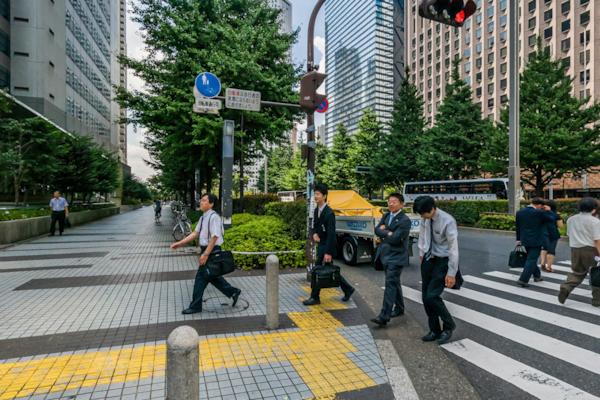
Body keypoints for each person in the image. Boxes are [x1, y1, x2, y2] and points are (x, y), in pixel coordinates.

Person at [170, 194, 241, 314]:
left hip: (212, 251)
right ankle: (233, 292)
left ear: (211, 204)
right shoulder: (204, 217)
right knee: (211, 275)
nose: (201, 202)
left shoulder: (214, 217)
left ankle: (196, 306)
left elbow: (215, 236)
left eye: (204, 200)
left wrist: (206, 254)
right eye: (201, 200)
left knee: (201, 277)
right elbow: (195, 233)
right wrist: (180, 243)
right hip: (207, 250)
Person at [414, 195, 459, 345]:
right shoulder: (425, 218)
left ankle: (449, 325)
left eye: (424, 214)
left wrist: (451, 273)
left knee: (432, 296)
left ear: (432, 208)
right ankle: (434, 330)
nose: (422, 217)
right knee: (425, 297)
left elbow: (453, 248)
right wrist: (422, 253)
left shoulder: (448, 221)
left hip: (443, 260)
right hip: (428, 258)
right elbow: (422, 236)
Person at [303, 183, 355, 306]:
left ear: (324, 196)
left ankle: (314, 297)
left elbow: (331, 234)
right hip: (321, 244)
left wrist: (328, 252)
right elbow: (315, 226)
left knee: (316, 269)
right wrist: (315, 234)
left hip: (327, 245)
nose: (315, 196)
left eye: (318, 194)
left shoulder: (329, 213)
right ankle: (348, 289)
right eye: (315, 194)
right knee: (330, 269)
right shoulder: (316, 210)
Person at [371, 193, 412, 327]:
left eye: (394, 201)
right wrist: (388, 232)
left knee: (390, 285)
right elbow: (377, 230)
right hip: (385, 255)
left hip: (397, 256)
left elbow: (395, 238)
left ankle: (384, 316)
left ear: (401, 204)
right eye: (389, 201)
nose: (391, 204)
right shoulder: (387, 215)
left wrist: (385, 231)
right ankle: (399, 308)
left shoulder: (405, 220)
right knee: (394, 282)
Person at [558, 197, 600, 306]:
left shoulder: (571, 219)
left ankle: (566, 287)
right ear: (594, 209)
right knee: (596, 273)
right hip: (591, 250)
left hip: (575, 249)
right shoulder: (595, 221)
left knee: (577, 272)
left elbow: (569, 234)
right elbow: (597, 240)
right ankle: (597, 300)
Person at [515, 198, 555, 287]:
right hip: (536, 240)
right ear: (539, 205)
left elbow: (518, 226)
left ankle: (537, 276)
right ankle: (523, 280)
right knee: (531, 259)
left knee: (530, 258)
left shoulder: (520, 212)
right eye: (541, 206)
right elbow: (552, 219)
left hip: (524, 239)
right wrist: (549, 211)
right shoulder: (539, 212)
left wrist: (518, 239)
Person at [540, 200, 563, 272]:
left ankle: (542, 263)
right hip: (553, 233)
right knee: (551, 250)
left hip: (543, 233)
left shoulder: (541, 213)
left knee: (544, 248)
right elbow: (560, 226)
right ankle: (549, 267)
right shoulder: (556, 215)